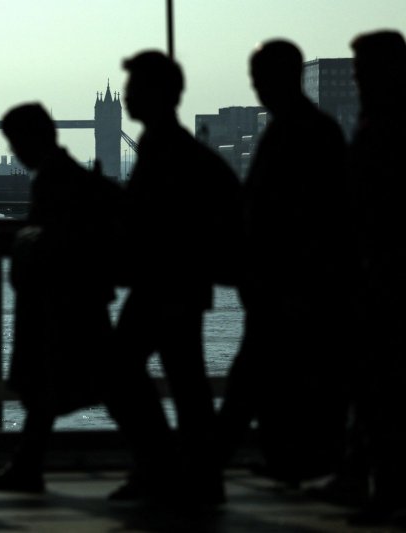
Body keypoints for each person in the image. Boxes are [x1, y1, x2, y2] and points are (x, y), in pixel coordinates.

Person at [217, 39, 359, 487]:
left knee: (253, 379)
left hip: (286, 283)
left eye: (259, 79)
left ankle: (212, 466)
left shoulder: (290, 133)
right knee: (286, 377)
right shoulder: (316, 131)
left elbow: (283, 213)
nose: (256, 88)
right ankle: (291, 459)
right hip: (295, 283)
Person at [106, 51, 241, 506]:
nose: (127, 96)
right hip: (179, 284)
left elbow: (148, 222)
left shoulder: (167, 152)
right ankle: (193, 474)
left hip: (163, 284)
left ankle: (164, 467)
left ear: (160, 94)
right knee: (186, 383)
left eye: (135, 87)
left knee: (123, 373)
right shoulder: (177, 150)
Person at [0, 103, 123, 493]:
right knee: (77, 385)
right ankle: (27, 466)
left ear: (32, 138)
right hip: (75, 296)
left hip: (62, 300)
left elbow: (53, 237)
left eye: (15, 142)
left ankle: (158, 464)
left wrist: (17, 239)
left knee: (82, 385)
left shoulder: (53, 180)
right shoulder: (68, 175)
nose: (15, 151)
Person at [346, 30, 406, 526]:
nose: (358, 80)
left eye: (362, 71)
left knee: (378, 391)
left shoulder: (380, 129)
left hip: (382, 280)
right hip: (380, 278)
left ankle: (382, 487)